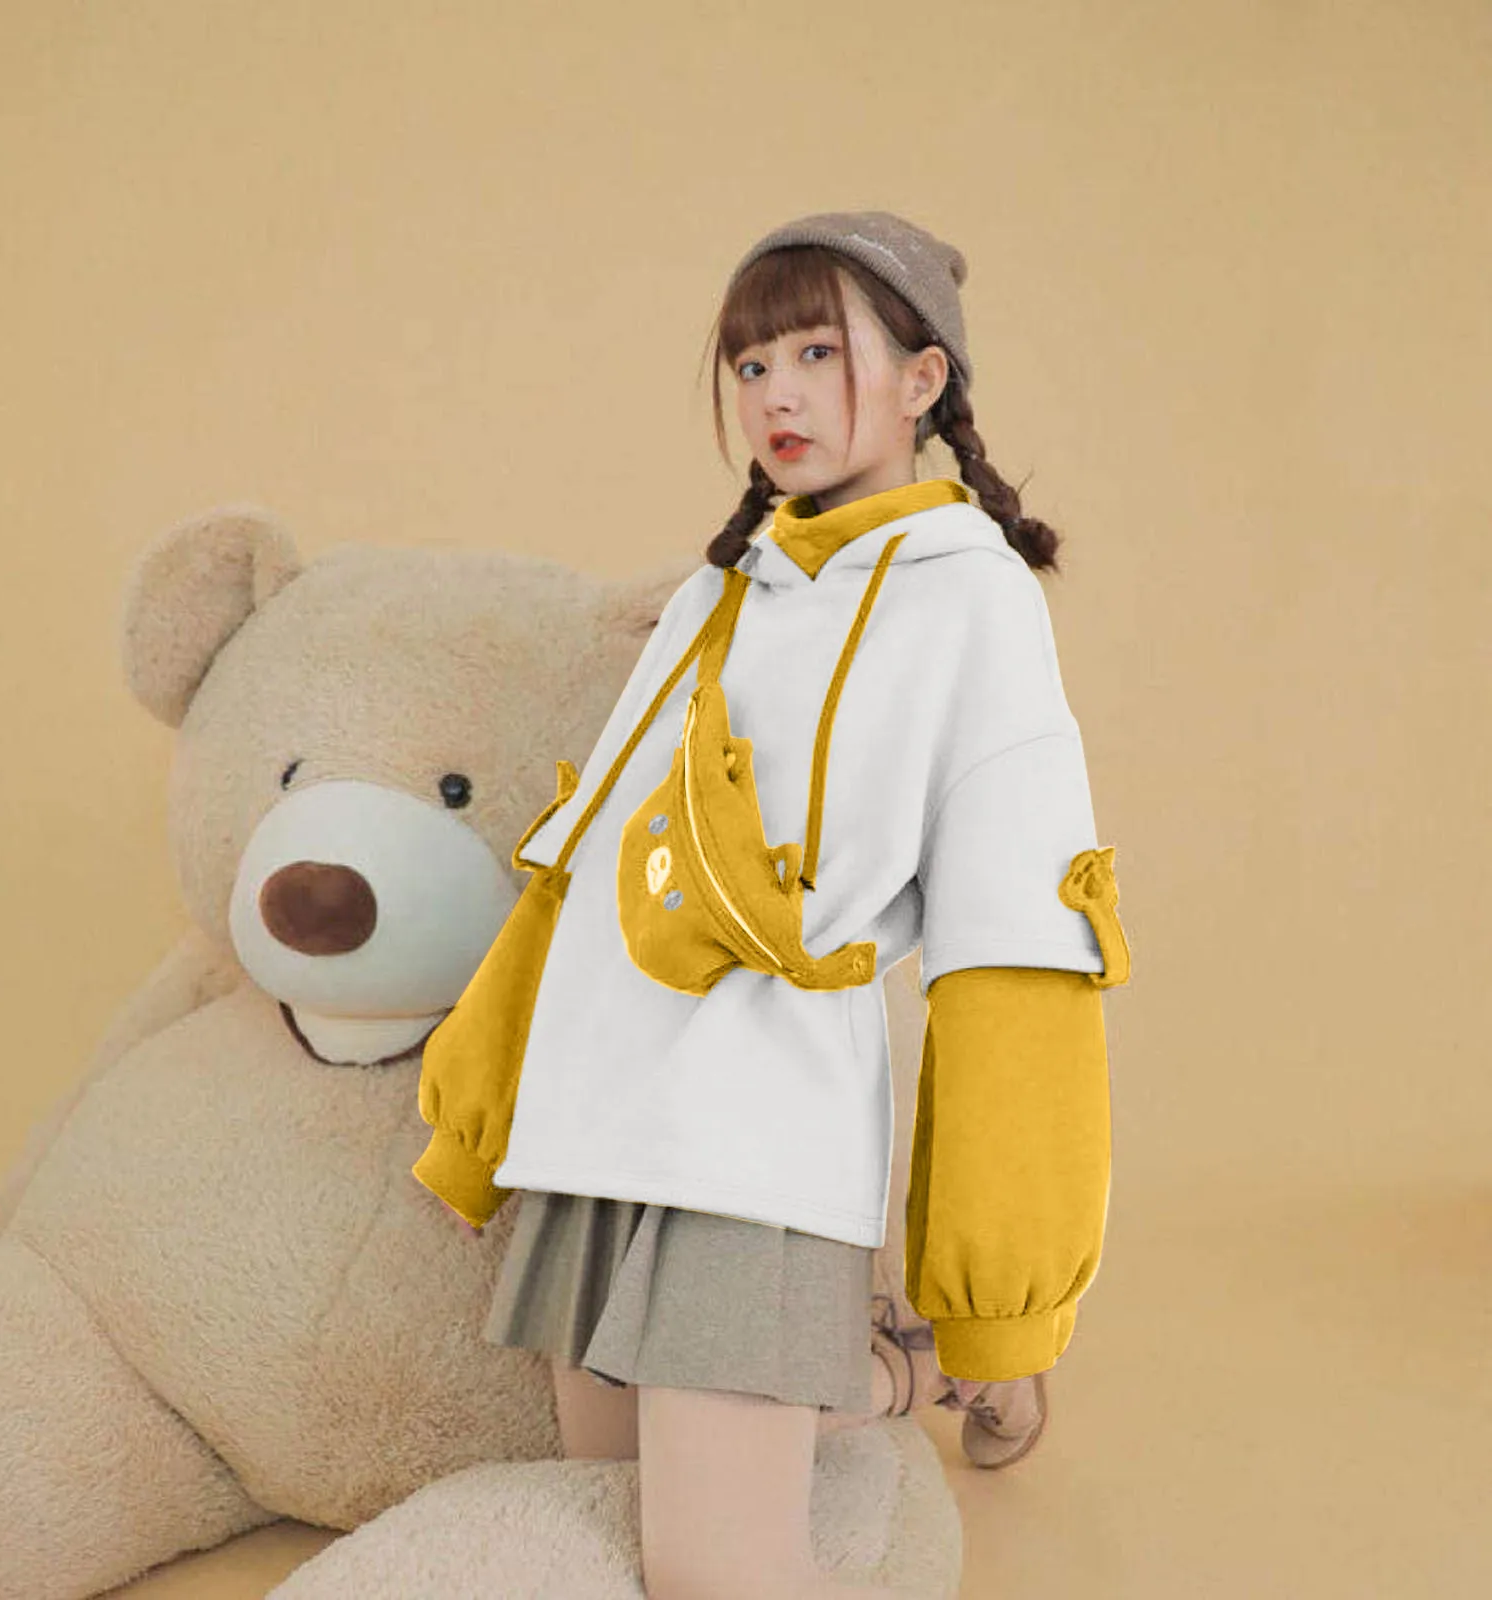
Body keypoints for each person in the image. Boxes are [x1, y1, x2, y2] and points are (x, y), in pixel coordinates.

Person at [416, 209, 1130, 1599]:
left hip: (762, 1118)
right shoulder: (720, 590)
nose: (775, 395)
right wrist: (483, 1117)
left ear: (923, 380)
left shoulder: (975, 603)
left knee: (711, 1569)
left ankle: (921, 1363)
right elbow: (582, 863)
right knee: (606, 1494)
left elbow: (1016, 940)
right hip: (604, 1107)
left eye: (814, 353)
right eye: (750, 366)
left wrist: (1000, 1295)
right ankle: (888, 1370)